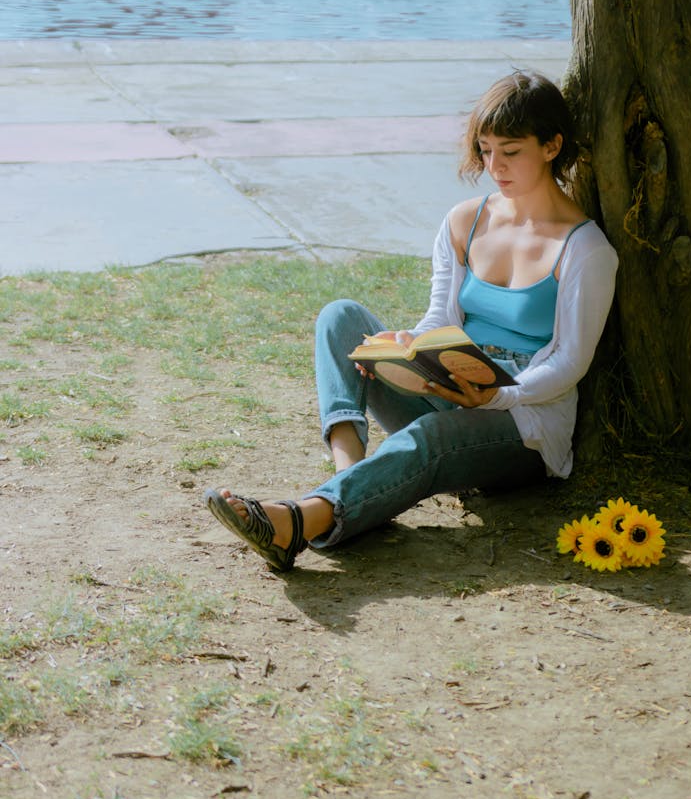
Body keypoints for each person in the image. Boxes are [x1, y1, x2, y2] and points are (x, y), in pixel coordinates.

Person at [204, 71, 619, 573]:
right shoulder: (465, 220)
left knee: (430, 438)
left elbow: (573, 360)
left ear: (552, 145)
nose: (494, 166)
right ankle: (354, 481)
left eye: (511, 151)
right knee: (342, 319)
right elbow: (440, 319)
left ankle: (299, 521)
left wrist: (498, 396)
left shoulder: (586, 248)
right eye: (485, 150)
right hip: (450, 381)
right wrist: (408, 344)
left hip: (524, 421)